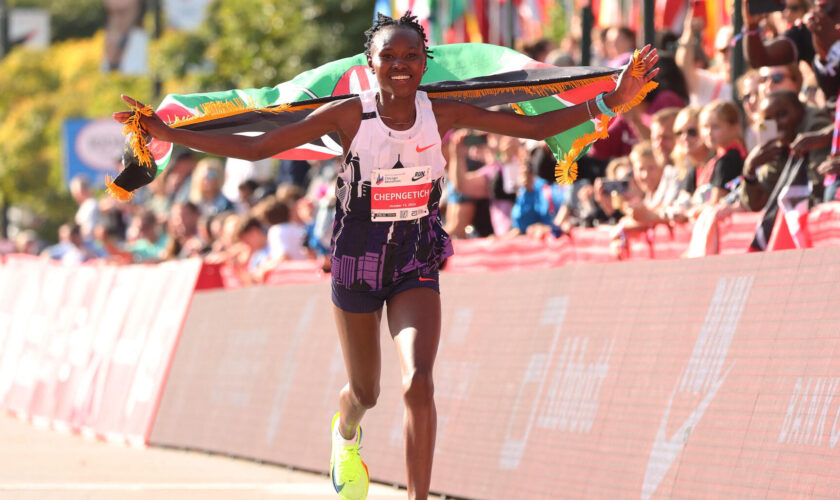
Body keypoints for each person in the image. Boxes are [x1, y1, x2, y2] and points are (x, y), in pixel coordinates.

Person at [113, 11, 658, 500]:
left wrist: (612, 98)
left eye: (411, 57)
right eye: (389, 57)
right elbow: (258, 146)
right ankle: (345, 432)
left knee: (418, 380)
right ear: (370, 66)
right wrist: (171, 132)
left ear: (426, 64)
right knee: (367, 391)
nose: (401, 65)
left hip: (416, 258)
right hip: (357, 260)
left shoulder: (441, 111)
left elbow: (537, 127)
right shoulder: (349, 114)